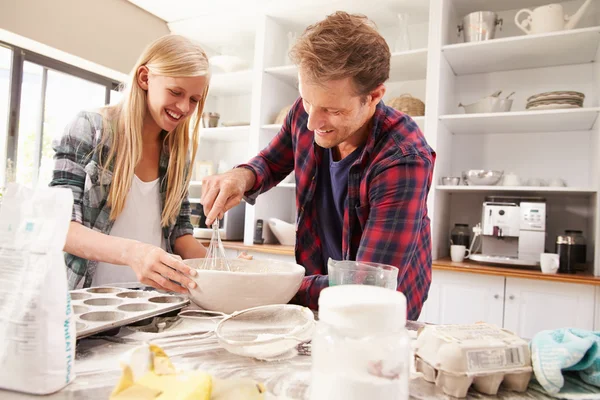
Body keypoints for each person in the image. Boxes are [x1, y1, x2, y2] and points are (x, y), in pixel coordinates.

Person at [201, 12, 436, 320]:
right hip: (318, 287)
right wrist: (240, 177)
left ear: (374, 95)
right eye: (308, 101)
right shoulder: (306, 112)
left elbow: (367, 286)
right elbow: (271, 162)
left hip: (381, 308)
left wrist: (267, 281)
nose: (312, 121)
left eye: (332, 110)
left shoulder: (403, 158)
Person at [50, 34, 216, 294]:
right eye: (176, 92)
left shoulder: (176, 154)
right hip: (88, 303)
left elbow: (180, 234)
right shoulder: (91, 129)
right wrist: (133, 253)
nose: (184, 107)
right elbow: (61, 227)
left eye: (194, 99)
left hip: (153, 306)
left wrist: (220, 268)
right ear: (145, 78)